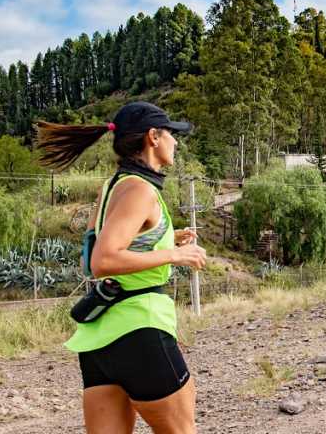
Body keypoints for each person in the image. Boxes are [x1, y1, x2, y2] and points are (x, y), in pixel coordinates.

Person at [36, 101, 207, 434]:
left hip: (99, 343)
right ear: (153, 137)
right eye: (172, 134)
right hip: (140, 329)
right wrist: (175, 256)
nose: (176, 142)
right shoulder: (141, 190)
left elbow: (91, 254)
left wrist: (167, 238)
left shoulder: (113, 187)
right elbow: (103, 261)